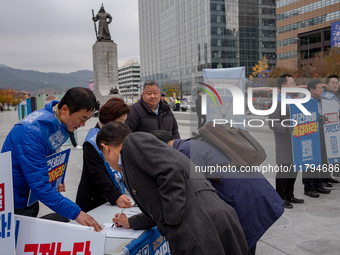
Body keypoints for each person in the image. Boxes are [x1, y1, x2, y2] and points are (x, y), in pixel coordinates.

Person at [97, 122, 249, 255]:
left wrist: (173, 222)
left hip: (198, 224)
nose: (107, 162)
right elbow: (159, 206)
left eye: (104, 157)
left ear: (106, 148)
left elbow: (172, 170)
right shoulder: (132, 161)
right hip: (205, 220)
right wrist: (131, 223)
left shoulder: (132, 142)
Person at [150, 130, 284, 255]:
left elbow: (188, 192)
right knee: (243, 243)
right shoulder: (190, 144)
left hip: (246, 197)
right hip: (250, 192)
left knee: (242, 243)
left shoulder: (185, 151)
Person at [1, 87, 101, 231]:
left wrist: (55, 177)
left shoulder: (54, 121)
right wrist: (77, 213)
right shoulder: (31, 133)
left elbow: (43, 161)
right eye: (82, 118)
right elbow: (40, 186)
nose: (83, 124)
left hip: (28, 195)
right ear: (65, 109)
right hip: (15, 202)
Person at [76, 98, 133, 212]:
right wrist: (116, 196)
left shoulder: (115, 135)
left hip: (114, 193)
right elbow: (98, 174)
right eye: (121, 121)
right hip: (95, 199)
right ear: (110, 120)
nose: (123, 125)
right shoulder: (92, 141)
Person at [268, 74, 304, 209]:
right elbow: (272, 123)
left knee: (293, 168)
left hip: (295, 140)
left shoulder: (291, 99)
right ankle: (281, 197)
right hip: (284, 140)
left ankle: (289, 195)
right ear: (283, 86)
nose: (294, 86)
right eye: (292, 84)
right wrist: (286, 129)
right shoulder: (277, 101)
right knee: (284, 169)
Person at [302, 79, 332, 197]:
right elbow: (302, 120)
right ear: (312, 90)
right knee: (309, 163)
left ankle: (318, 183)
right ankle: (309, 187)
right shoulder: (306, 102)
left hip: (319, 136)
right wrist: (315, 120)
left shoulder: (317, 101)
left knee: (317, 162)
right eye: (319, 88)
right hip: (310, 138)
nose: (321, 90)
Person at [322, 75, 340, 181]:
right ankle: (325, 177)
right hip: (327, 131)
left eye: (337, 82)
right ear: (327, 84)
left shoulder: (336, 96)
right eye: (333, 82)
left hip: (336, 129)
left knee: (334, 153)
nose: (335, 85)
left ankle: (329, 176)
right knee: (326, 154)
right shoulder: (323, 97)